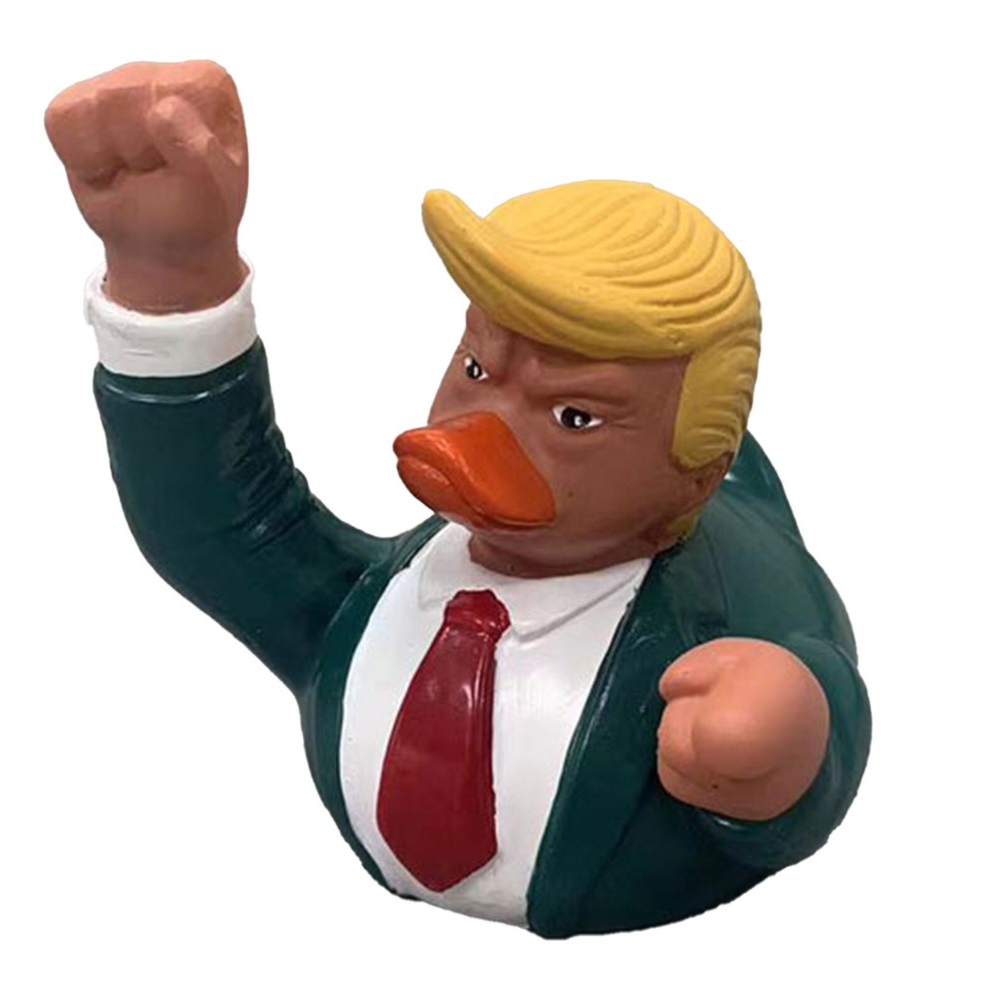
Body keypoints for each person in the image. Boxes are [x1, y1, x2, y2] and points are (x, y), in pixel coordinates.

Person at [45, 59, 871, 937]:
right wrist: (172, 276)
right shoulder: (372, 602)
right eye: (478, 367)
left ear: (698, 473)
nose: (479, 426)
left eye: (574, 415)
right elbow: (217, 526)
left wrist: (789, 752)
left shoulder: (718, 619)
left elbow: (819, 677)